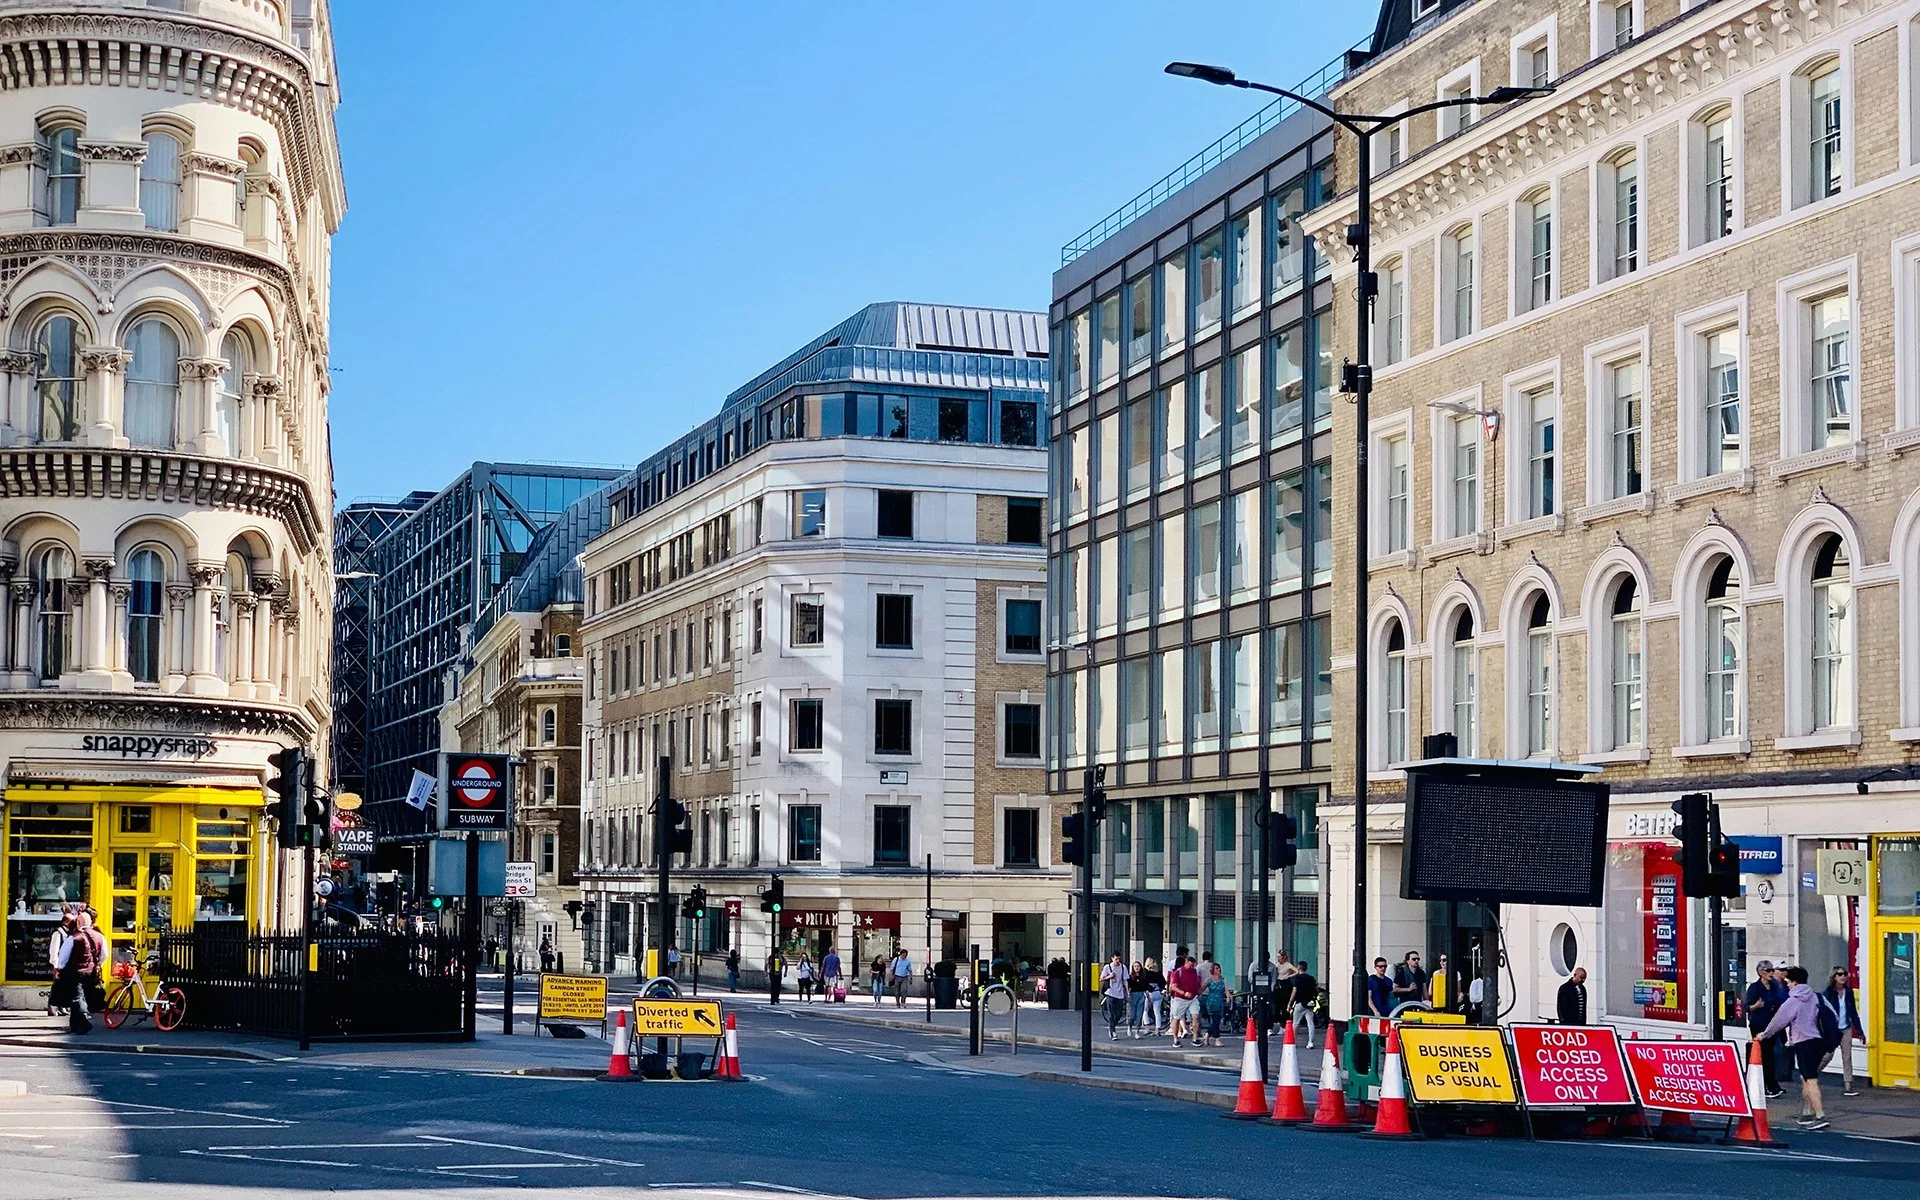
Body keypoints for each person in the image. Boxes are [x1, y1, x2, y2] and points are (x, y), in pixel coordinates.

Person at [1759, 965, 1830, 1130]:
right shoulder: (1816, 997)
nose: (1788, 985)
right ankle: (1807, 1113)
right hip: (1818, 1041)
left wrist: (1764, 1034)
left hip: (1803, 1042)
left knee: (1810, 1080)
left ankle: (1820, 1116)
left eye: (1789, 982)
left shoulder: (1794, 1001)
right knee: (1805, 1078)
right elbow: (1832, 1015)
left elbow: (1779, 1021)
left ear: (1795, 982)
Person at [54, 911, 104, 1034]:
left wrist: (59, 969)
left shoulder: (74, 937)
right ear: (91, 922)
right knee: (81, 998)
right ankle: (75, 1026)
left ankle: (84, 1021)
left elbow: (63, 956)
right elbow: (104, 954)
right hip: (91, 972)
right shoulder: (100, 936)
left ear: (78, 922)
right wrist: (97, 964)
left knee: (77, 998)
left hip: (75, 972)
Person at [1820, 968, 1865, 1097]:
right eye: (1840, 974)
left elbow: (1853, 1013)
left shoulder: (1849, 992)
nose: (1843, 976)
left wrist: (1860, 1030)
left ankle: (1848, 1085)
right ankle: (1812, 1075)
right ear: (1834, 977)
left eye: (1845, 974)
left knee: (1847, 1056)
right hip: (1832, 1029)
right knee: (1828, 1055)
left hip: (1846, 1028)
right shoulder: (1828, 993)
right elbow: (1823, 1012)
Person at [1745, 960, 1787, 1098]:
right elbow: (1747, 1006)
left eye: (1772, 970)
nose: (1771, 973)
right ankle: (1767, 1086)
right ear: (1760, 972)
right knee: (1765, 1054)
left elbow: (1782, 1000)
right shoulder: (1754, 988)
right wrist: (1755, 1006)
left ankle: (1773, 1084)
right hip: (1759, 1024)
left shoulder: (1775, 986)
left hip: (1772, 1024)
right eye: (1768, 970)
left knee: (1772, 1055)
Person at [1167, 955, 1202, 1047]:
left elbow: (1197, 983)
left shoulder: (1194, 972)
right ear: (1186, 963)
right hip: (1180, 998)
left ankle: (1195, 1038)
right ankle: (1175, 1039)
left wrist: (1198, 991)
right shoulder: (1178, 972)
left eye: (1193, 965)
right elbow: (1173, 986)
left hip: (1193, 997)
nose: (1192, 967)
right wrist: (1183, 993)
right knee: (1177, 1018)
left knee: (1196, 1016)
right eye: (1191, 965)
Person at [45, 912, 74, 1017]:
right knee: (57, 987)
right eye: (72, 921)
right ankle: (52, 1008)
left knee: (64, 987)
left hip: (66, 964)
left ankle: (62, 1007)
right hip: (58, 964)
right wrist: (56, 965)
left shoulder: (69, 933)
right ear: (66, 922)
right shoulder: (58, 933)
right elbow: (54, 950)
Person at [1200, 963, 1230, 1047]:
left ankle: (1207, 1034)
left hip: (1219, 1003)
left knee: (1216, 1020)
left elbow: (1226, 989)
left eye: (1219, 968)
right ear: (1212, 970)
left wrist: (1228, 997)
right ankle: (1217, 1039)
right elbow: (1202, 988)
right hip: (1211, 1002)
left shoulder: (1223, 980)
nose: (1218, 970)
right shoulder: (1210, 980)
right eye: (1216, 968)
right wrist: (1197, 995)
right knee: (1215, 1020)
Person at [1289, 960, 1317, 1048]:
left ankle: (1292, 1042)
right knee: (1310, 1023)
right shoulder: (1311, 978)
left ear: (1298, 968)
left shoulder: (1296, 978)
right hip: (1309, 1003)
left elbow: (1294, 991)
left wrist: (1290, 1003)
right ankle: (1310, 1042)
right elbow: (1315, 990)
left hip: (1299, 1003)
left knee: (1295, 1024)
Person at [1100, 953, 1128, 1041]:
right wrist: (1109, 976)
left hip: (1120, 993)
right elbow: (1101, 978)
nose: (1118, 961)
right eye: (1116, 959)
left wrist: (1127, 992)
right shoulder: (1107, 967)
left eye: (1119, 959)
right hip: (1110, 993)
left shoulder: (1123, 967)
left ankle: (1112, 1026)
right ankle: (1113, 1032)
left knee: (1119, 1014)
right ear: (1112, 958)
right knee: (1111, 1014)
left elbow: (1125, 980)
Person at [1141, 957, 1166, 1035]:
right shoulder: (1158, 972)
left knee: (1145, 1010)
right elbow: (1163, 982)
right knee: (1157, 1012)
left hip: (1148, 993)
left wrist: (1148, 988)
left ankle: (1147, 1027)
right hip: (1157, 992)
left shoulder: (1145, 972)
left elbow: (1143, 982)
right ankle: (1157, 1029)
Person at [1126, 960, 1148, 1038]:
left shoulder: (1143, 977)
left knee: (1139, 1014)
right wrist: (1127, 995)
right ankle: (1130, 1026)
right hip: (1133, 995)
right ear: (1133, 968)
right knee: (1132, 1014)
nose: (1136, 968)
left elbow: (1146, 987)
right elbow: (1128, 987)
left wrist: (1147, 996)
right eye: (1135, 966)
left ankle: (1137, 1031)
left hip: (1141, 995)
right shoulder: (1130, 977)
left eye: (1138, 966)